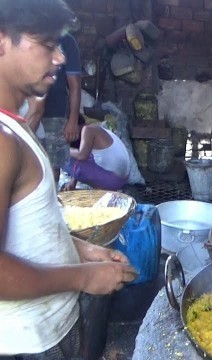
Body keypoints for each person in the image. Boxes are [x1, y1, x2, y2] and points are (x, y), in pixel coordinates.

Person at [0, 1, 137, 358]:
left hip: (53, 328)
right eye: (47, 44)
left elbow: (32, 230)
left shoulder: (15, 128)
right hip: (29, 345)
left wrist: (86, 253)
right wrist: (84, 277)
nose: (60, 58)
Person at [25, 32, 82, 187]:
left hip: (54, 113)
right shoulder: (26, 36)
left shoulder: (67, 41)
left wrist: (72, 120)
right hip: (26, 111)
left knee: (52, 165)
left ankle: (52, 197)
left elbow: (74, 85)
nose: (59, 58)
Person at [61, 115, 131, 191]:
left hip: (112, 180)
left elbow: (82, 156)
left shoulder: (87, 130)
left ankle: (101, 189)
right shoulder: (95, 129)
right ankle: (101, 188)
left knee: (61, 156)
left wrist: (63, 148)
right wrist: (73, 182)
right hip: (122, 179)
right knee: (76, 156)